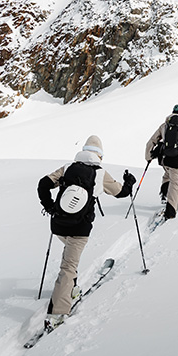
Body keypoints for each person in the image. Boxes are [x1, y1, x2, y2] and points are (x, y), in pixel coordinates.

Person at [37, 135, 135, 328]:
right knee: (68, 267)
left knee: (69, 258)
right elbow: (121, 192)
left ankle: (71, 290)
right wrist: (129, 182)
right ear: (99, 155)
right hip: (80, 229)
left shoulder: (67, 168)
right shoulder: (100, 173)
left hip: (58, 225)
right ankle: (57, 313)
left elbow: (43, 184)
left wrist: (50, 208)